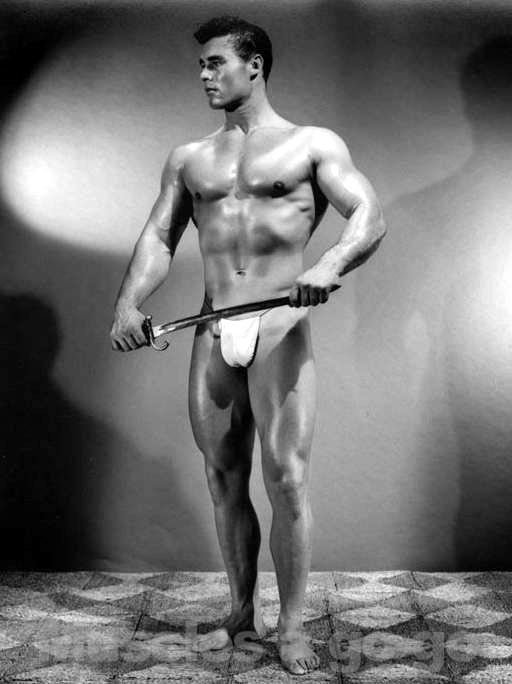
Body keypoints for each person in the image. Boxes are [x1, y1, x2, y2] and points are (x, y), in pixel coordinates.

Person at [110, 16, 385, 675]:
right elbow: (159, 236)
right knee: (223, 476)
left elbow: (369, 214)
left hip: (277, 326)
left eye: (215, 63)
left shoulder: (311, 144)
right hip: (212, 327)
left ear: (254, 64)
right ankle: (240, 613)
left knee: (285, 478)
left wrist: (329, 264)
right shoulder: (189, 158)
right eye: (201, 66)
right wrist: (128, 302)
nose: (204, 75)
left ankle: (291, 627)